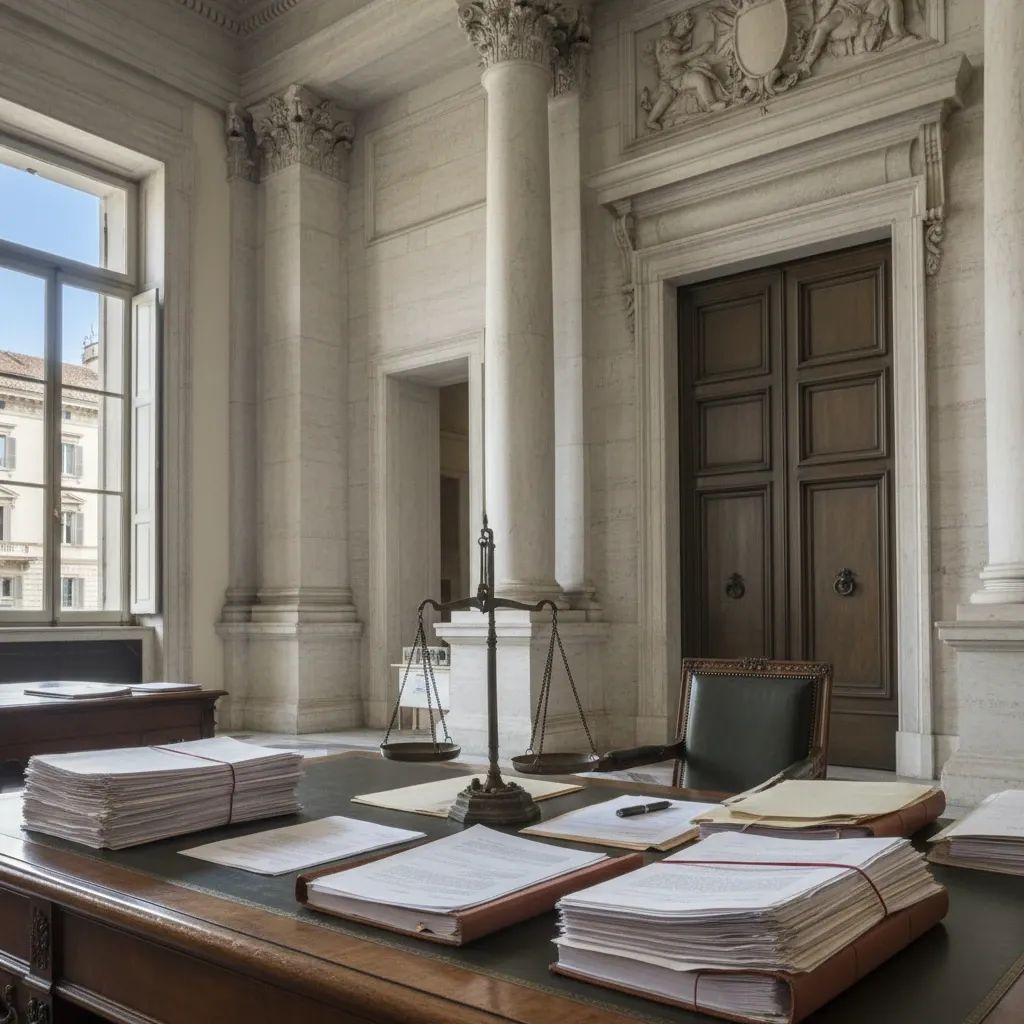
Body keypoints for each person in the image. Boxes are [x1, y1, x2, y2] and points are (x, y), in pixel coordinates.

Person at [643, 11, 727, 130]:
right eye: (671, 45)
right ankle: (651, 120)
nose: (686, 31)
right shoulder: (669, 57)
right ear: (665, 48)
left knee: (700, 78)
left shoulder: (672, 48)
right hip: (670, 84)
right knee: (666, 98)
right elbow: (688, 56)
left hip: (682, 76)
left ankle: (711, 104)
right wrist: (702, 49)